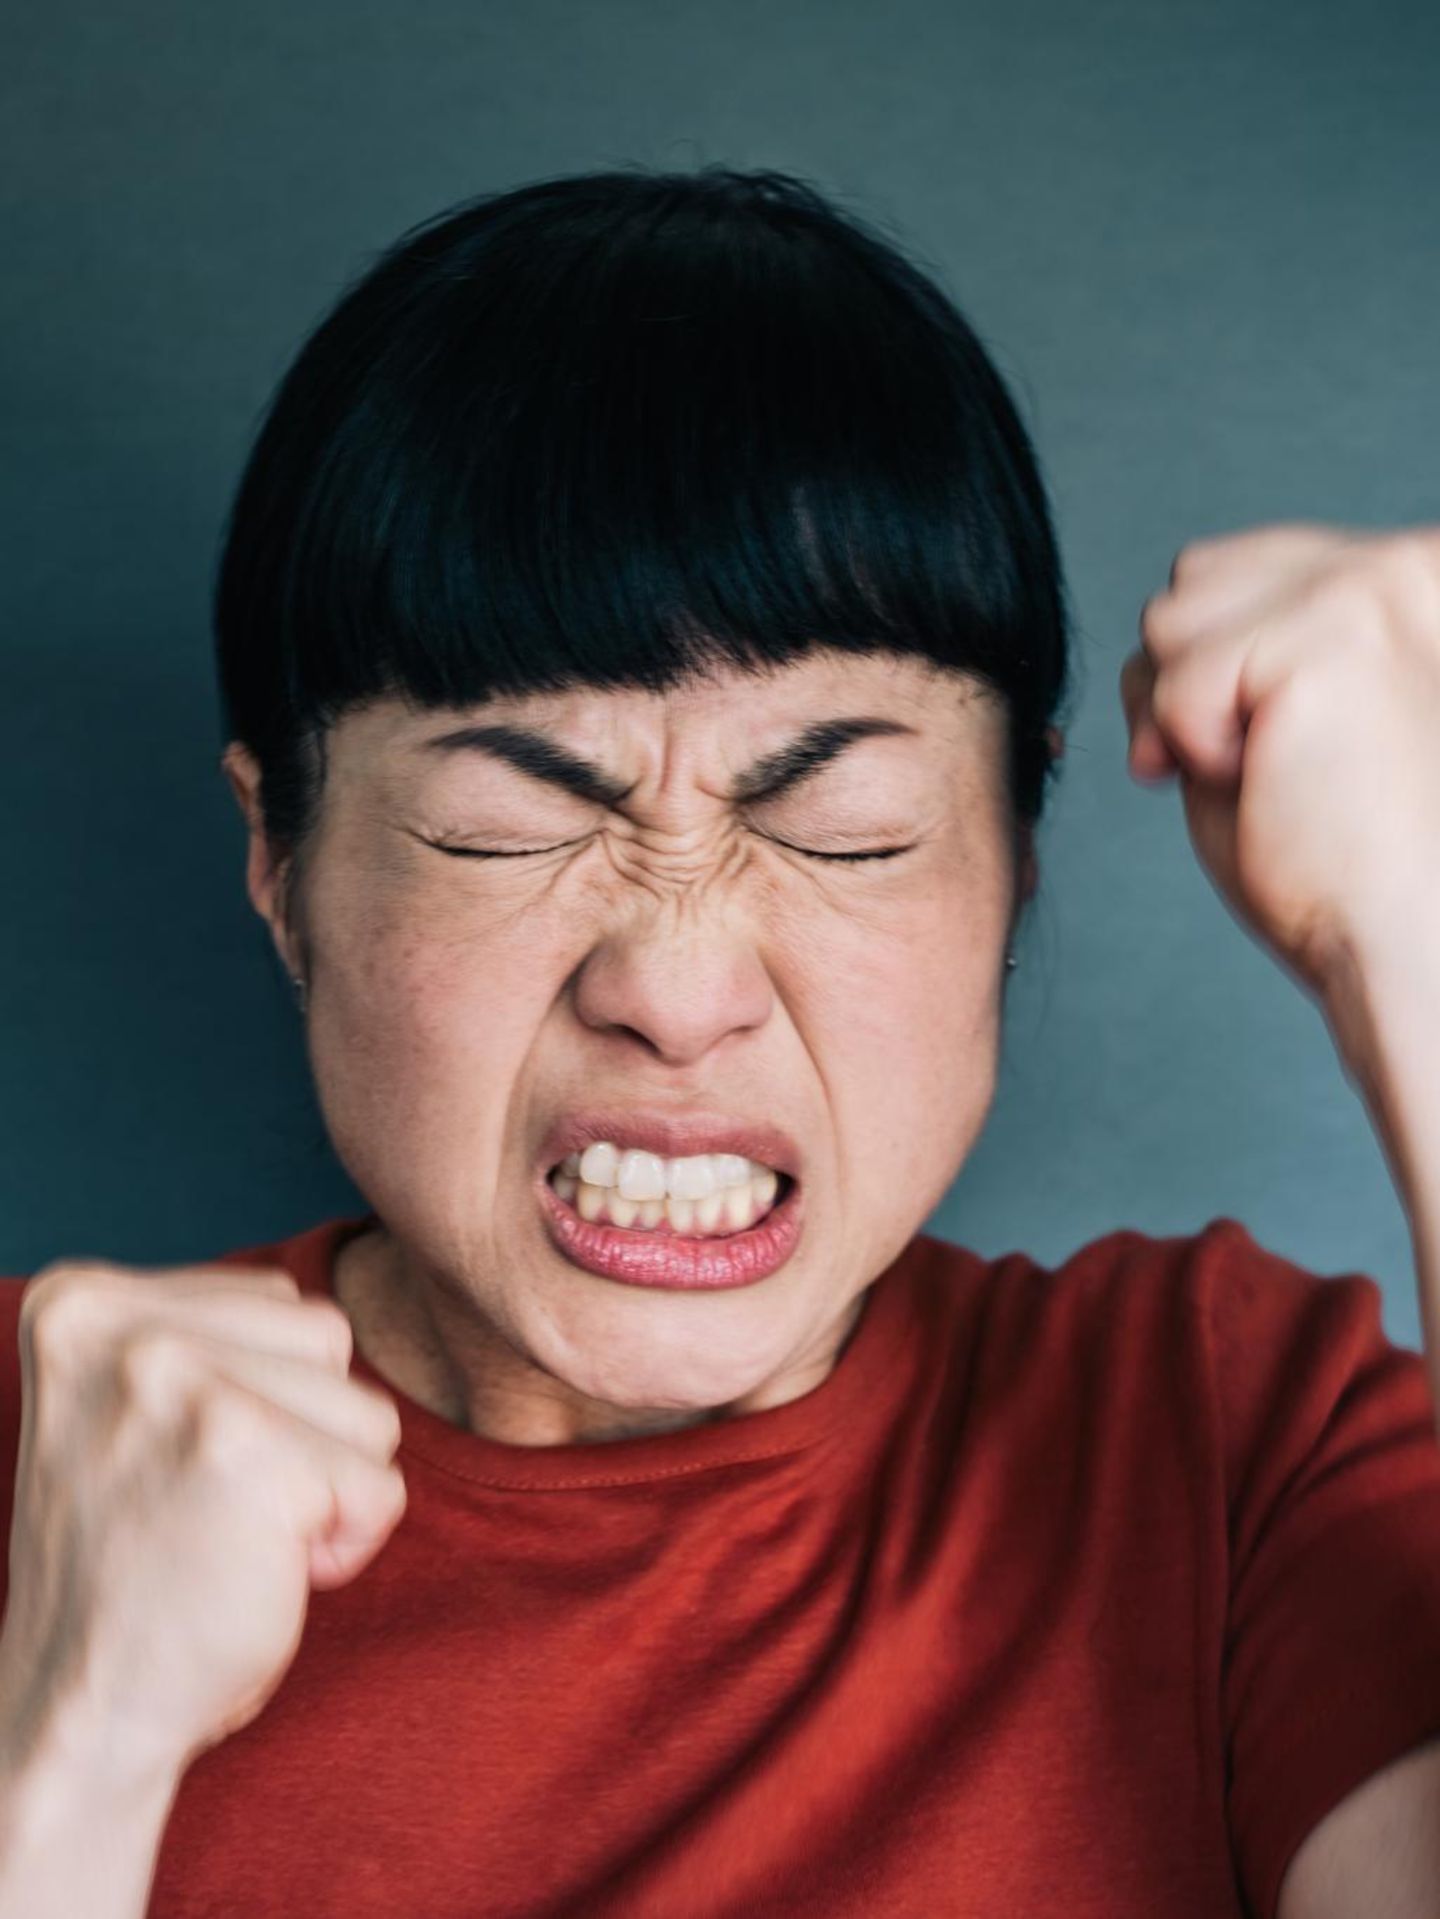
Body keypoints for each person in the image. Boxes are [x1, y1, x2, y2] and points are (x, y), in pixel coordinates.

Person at [2, 164, 1440, 1919]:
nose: (676, 992)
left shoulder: (1229, 1445)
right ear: (278, 866)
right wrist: (72, 1760)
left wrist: (1413, 942)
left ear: (1015, 861)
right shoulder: (38, 1448)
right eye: (501, 827)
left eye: (847, 828)